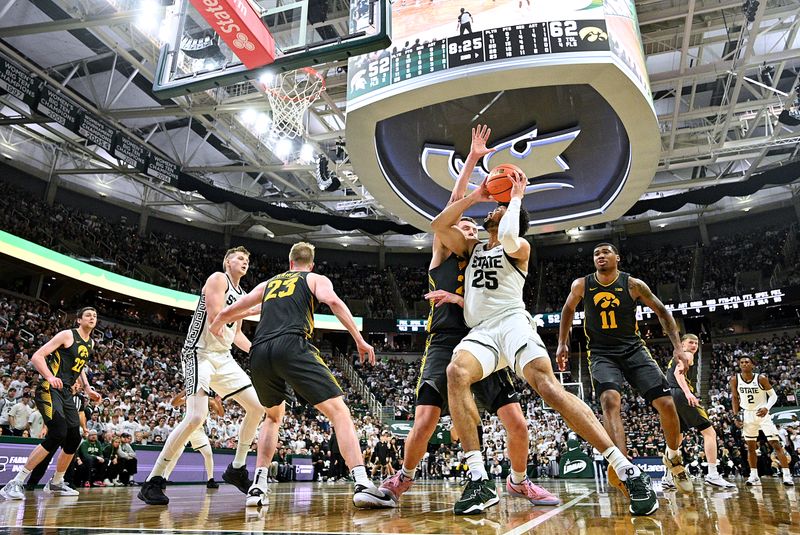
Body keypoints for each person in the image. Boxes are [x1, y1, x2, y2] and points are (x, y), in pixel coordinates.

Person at [432, 172, 656, 516]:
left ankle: (626, 469)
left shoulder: (520, 247)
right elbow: (439, 223)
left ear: (511, 217)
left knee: (548, 388)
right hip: (482, 331)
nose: (493, 209)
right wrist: (476, 195)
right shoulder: (472, 247)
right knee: (456, 372)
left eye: (498, 207)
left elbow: (508, 232)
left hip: (512, 322)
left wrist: (517, 197)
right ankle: (478, 479)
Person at [381, 125, 559, 508]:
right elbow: (449, 210)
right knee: (426, 420)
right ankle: (404, 477)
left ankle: (519, 481)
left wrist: (459, 301)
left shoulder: (483, 257)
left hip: (485, 338)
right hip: (447, 342)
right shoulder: (445, 254)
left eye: (472, 226)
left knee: (517, 422)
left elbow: (493, 296)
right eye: (464, 227)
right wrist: (474, 165)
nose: (469, 228)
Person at [209, 242, 393, 509]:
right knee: (339, 412)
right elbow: (333, 301)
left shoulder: (270, 284)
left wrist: (215, 327)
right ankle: (363, 483)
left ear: (290, 262)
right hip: (291, 345)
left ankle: (258, 487)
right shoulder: (314, 278)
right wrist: (360, 339)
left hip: (259, 352)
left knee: (272, 417)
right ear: (311, 264)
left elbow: (230, 312)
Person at [557, 243, 692, 495]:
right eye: (596, 253)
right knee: (609, 401)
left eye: (605, 252)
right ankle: (625, 468)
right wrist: (562, 343)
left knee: (667, 403)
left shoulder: (633, 285)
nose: (600, 256)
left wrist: (677, 347)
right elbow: (567, 310)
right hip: (601, 354)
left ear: (617, 258)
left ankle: (673, 457)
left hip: (633, 350)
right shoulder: (582, 285)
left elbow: (662, 311)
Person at [138, 247, 265, 505]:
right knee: (197, 416)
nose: (245, 262)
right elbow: (216, 319)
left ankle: (237, 467)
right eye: (240, 258)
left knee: (257, 407)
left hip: (224, 357)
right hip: (199, 353)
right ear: (227, 260)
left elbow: (236, 334)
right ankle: (154, 480)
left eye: (248, 259)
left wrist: (258, 351)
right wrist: (250, 311)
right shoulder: (218, 279)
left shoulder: (241, 293)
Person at [1, 307, 102, 500]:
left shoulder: (91, 343)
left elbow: (78, 367)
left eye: (95, 316)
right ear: (79, 320)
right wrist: (49, 376)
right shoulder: (66, 335)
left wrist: (87, 388)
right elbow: (37, 356)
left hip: (66, 392)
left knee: (73, 438)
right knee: (58, 432)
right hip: (49, 388)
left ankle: (56, 482)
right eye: (88, 315)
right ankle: (15, 482)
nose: (92, 318)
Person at [663, 334, 734, 489]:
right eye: (690, 342)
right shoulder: (687, 355)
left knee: (676, 439)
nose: (694, 345)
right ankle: (713, 474)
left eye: (696, 343)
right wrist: (688, 393)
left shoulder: (675, 357)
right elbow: (677, 374)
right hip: (681, 395)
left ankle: (667, 477)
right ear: (682, 344)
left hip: (670, 396)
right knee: (709, 433)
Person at [730, 355, 794, 486]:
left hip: (762, 414)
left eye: (747, 362)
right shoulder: (734, 379)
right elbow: (735, 398)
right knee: (751, 447)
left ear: (753, 365)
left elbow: (773, 396)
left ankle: (787, 475)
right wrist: (736, 416)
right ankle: (754, 475)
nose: (744, 364)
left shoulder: (761, 378)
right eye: (741, 362)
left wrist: (767, 407)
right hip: (747, 414)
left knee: (775, 444)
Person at [162, 390, 225, 488]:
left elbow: (221, 414)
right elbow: (173, 403)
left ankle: (210, 480)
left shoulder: (209, 400)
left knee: (208, 453)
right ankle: (164, 478)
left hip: (198, 429)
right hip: (185, 427)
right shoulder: (190, 397)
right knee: (176, 454)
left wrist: (218, 402)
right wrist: (184, 391)